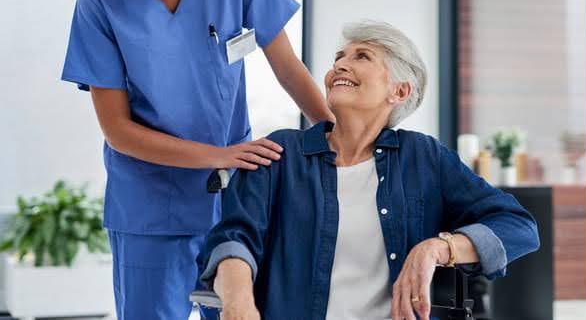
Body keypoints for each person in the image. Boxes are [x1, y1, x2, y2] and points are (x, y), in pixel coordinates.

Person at [60, 0, 333, 320]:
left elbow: (288, 68)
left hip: (235, 207)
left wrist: (339, 135)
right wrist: (221, 155)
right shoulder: (100, 4)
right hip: (150, 209)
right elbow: (118, 131)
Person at [197, 21, 540, 320]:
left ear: (400, 91)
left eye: (361, 57)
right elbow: (233, 241)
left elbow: (519, 227)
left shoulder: (423, 157)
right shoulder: (282, 153)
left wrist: (436, 249)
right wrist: (239, 302)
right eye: (338, 59)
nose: (340, 66)